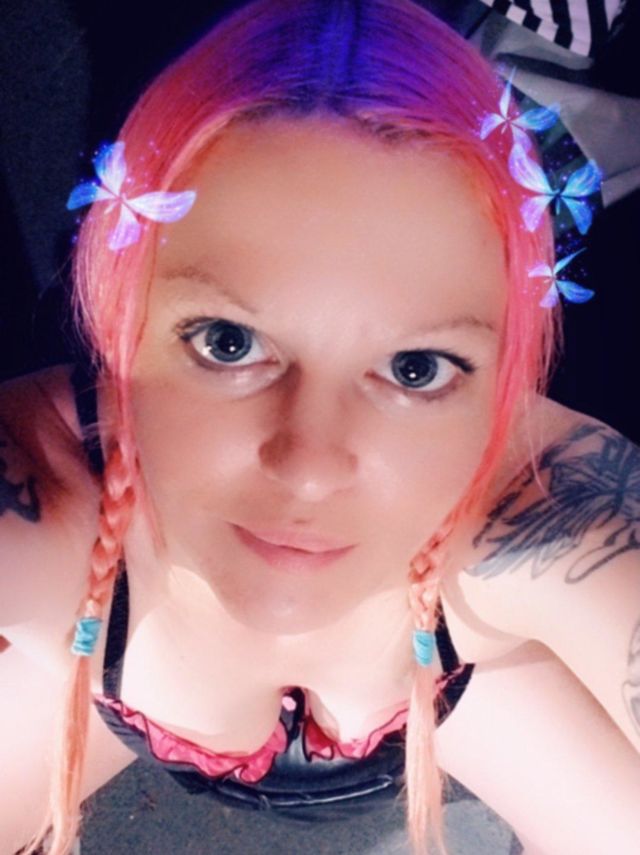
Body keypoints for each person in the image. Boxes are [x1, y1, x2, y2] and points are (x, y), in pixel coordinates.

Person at [1, 1, 639, 854]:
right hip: (84, 679)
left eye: (416, 368)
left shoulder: (542, 515)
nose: (307, 467)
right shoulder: (51, 499)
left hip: (464, 698)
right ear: (119, 319)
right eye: (228, 344)